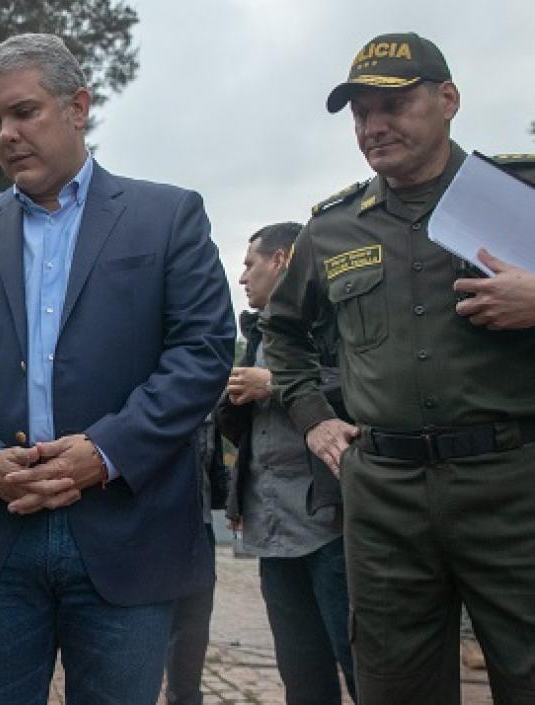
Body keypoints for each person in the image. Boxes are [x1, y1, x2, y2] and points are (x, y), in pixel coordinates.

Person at [0, 33, 234, 705]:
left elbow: (202, 351)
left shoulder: (167, 216)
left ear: (78, 105)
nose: (6, 133)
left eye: (24, 112)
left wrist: (108, 450)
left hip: (126, 535)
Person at [262, 32, 535, 703]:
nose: (373, 126)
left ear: (448, 100)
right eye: (359, 113)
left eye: (392, 105)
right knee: (394, 688)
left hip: (513, 487)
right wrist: (316, 422)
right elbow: (283, 335)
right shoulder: (330, 229)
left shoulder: (519, 196)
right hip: (385, 498)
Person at [219, 222, 355, 704]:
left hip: (333, 526)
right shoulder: (255, 331)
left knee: (362, 666)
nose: (242, 278)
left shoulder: (337, 315)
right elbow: (254, 435)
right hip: (274, 530)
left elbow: (366, 385)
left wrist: (273, 383)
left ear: (282, 261)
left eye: (250, 264)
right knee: (301, 675)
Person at [163, 413, 226, 705]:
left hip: (198, 527)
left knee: (192, 628)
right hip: (143, 527)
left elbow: (213, 467)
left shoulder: (206, 402)